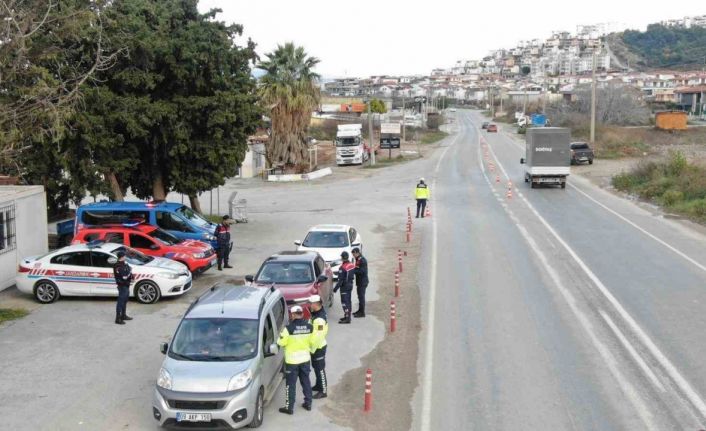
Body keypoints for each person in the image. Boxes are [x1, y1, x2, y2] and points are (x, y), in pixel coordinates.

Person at [277, 305, 315, 414]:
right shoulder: (310, 327)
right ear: (302, 314)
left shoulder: (288, 329)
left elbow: (281, 343)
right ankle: (308, 403)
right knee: (306, 381)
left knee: (291, 384)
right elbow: (312, 342)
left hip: (292, 362)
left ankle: (289, 408)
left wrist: (281, 337)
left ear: (292, 315)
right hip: (305, 359)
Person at [308, 295, 329, 399]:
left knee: (320, 369)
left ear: (317, 304)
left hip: (318, 348)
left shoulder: (319, 319)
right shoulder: (316, 314)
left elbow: (317, 337)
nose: (309, 305)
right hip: (316, 347)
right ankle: (318, 385)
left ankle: (323, 390)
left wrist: (310, 348)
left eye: (311, 303)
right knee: (316, 368)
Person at [333, 251, 355, 324]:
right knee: (348, 301)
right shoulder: (351, 265)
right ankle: (347, 316)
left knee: (344, 302)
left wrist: (335, 289)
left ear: (342, 258)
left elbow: (340, 280)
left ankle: (347, 318)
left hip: (344, 287)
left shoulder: (342, 268)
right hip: (350, 285)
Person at [113, 251, 133, 325]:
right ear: (122, 256)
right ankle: (118, 319)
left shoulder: (124, 263)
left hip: (126, 285)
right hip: (122, 286)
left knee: (125, 301)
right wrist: (130, 272)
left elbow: (128, 272)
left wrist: (130, 274)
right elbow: (124, 276)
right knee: (120, 302)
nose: (125, 257)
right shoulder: (117, 266)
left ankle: (123, 315)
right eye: (125, 255)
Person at [352, 248, 368, 318]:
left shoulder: (362, 260)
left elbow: (362, 271)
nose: (353, 256)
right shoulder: (358, 259)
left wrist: (353, 271)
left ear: (357, 253)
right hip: (359, 282)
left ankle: (362, 313)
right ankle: (360, 310)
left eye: (354, 254)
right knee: (359, 297)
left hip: (362, 282)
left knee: (361, 297)